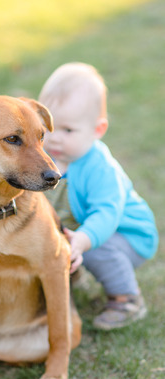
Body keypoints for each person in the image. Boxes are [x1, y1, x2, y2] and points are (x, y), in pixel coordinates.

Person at [39, 62, 158, 330]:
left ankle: (127, 299)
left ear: (97, 130)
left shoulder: (100, 167)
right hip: (79, 228)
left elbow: (107, 213)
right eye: (49, 126)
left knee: (97, 248)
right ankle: (71, 273)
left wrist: (83, 239)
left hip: (127, 234)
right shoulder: (46, 159)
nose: (55, 138)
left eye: (68, 130)